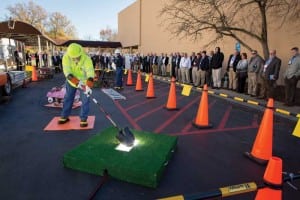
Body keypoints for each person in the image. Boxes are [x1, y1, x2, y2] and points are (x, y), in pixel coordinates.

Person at [58, 43, 95, 127]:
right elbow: (67, 72)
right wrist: (77, 82)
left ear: (80, 53)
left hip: (84, 81)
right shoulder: (66, 58)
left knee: (85, 99)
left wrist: (88, 85)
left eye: (77, 57)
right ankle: (64, 116)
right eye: (73, 58)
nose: (75, 59)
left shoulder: (86, 59)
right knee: (68, 98)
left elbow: (90, 72)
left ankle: (83, 118)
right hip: (71, 81)